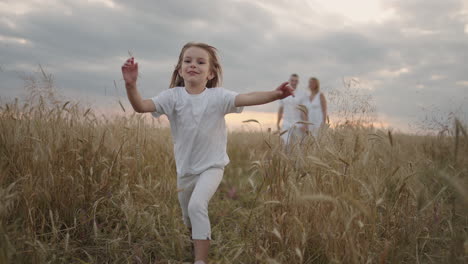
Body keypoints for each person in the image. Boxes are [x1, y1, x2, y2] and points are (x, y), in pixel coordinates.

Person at [121, 42, 294, 264]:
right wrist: (131, 85)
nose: (193, 65)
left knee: (196, 206)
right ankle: (194, 239)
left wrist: (275, 94)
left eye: (200, 62)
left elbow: (247, 98)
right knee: (188, 216)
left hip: (212, 166)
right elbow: (141, 106)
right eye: (188, 61)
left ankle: (200, 260)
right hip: (185, 170)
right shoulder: (172, 97)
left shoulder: (218, 97)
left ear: (210, 73)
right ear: (180, 69)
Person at [276, 73, 308, 150]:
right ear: (289, 81)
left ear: (298, 82)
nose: (294, 82)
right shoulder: (283, 94)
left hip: (298, 123)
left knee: (297, 145)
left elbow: (303, 110)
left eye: (296, 81)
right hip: (286, 123)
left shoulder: (302, 94)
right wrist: (278, 122)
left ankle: (296, 162)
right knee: (285, 145)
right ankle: (286, 161)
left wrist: (305, 124)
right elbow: (280, 109)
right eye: (292, 80)